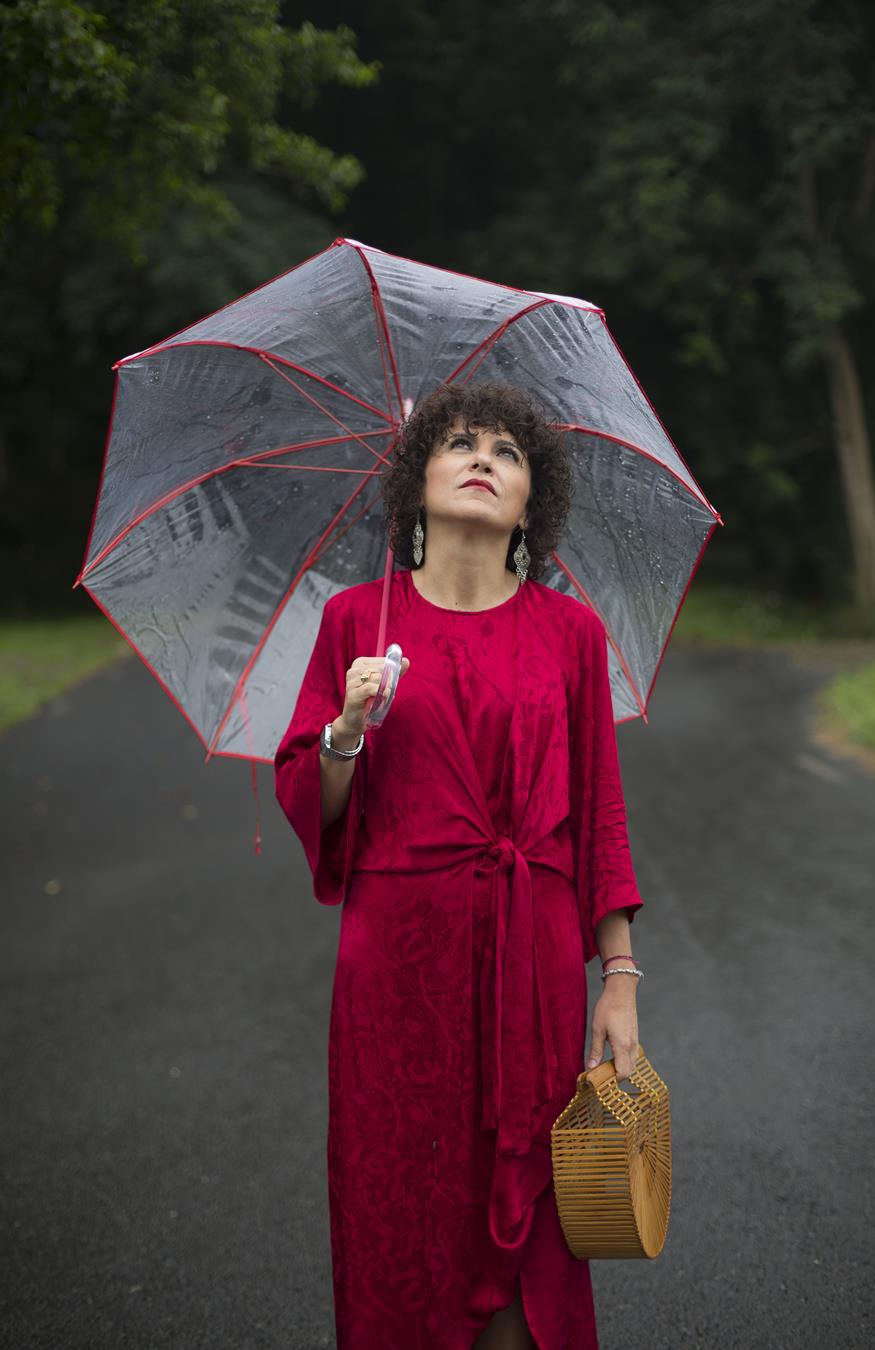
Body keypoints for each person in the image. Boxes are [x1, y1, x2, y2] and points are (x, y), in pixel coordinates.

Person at [274, 380, 645, 1350]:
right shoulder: (356, 622)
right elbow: (313, 801)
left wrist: (619, 978)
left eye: (508, 452)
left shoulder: (572, 634)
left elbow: (600, 812)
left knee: (526, 1226)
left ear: (530, 507)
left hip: (534, 961)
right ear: (416, 482)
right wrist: (346, 729)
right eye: (460, 443)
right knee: (401, 1201)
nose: (484, 458)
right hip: (396, 971)